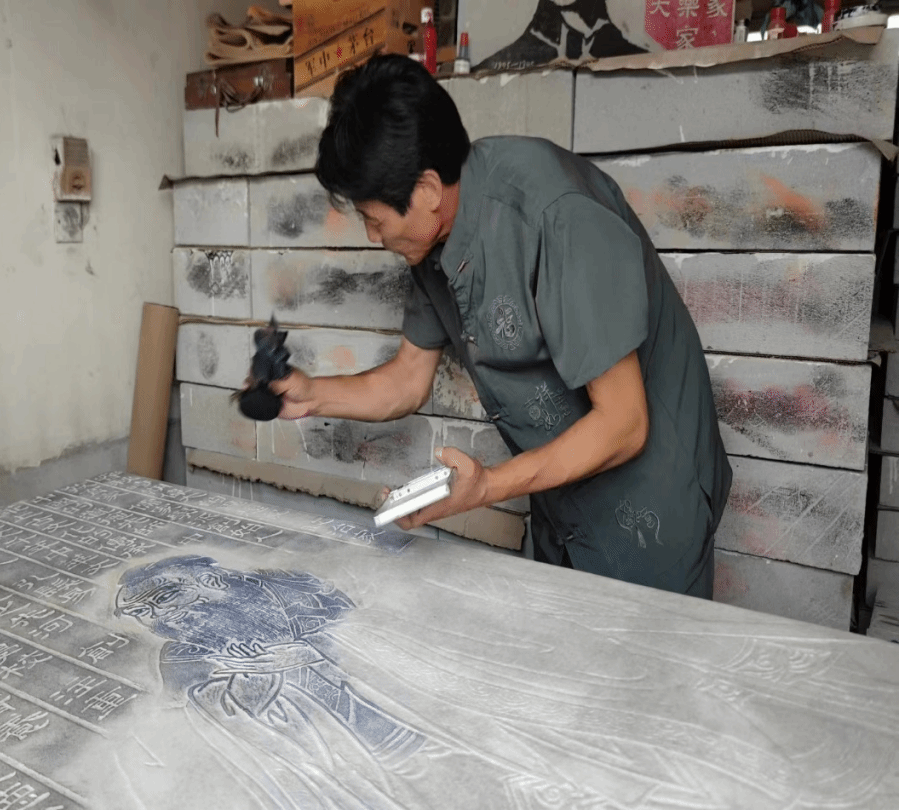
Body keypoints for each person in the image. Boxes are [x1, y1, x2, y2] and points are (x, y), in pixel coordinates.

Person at [269, 54, 732, 599]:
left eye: (374, 219)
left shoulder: (557, 216)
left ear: (427, 191)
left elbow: (624, 425)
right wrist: (311, 395)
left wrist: (486, 486)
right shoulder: (433, 242)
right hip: (563, 504)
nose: (374, 236)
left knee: (644, 651)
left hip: (652, 507)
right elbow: (406, 380)